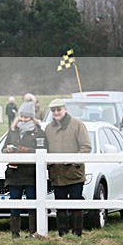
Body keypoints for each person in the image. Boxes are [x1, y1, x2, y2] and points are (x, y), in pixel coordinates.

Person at [44, 98, 91, 237]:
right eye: (53, 110)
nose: (56, 112)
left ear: (65, 109)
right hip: (56, 173)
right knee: (60, 203)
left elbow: (86, 146)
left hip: (74, 172)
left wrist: (74, 162)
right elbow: (45, 149)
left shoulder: (77, 125)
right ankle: (62, 234)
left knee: (76, 202)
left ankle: (77, 233)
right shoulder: (48, 128)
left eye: (59, 110)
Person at [3, 101, 47, 238]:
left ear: (32, 118)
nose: (22, 119)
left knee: (32, 202)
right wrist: (8, 149)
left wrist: (27, 150)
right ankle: (14, 233)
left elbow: (44, 150)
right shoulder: (12, 131)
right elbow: (3, 149)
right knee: (14, 202)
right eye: (21, 116)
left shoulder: (39, 133)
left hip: (30, 174)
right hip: (14, 173)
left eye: (26, 117)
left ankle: (33, 232)